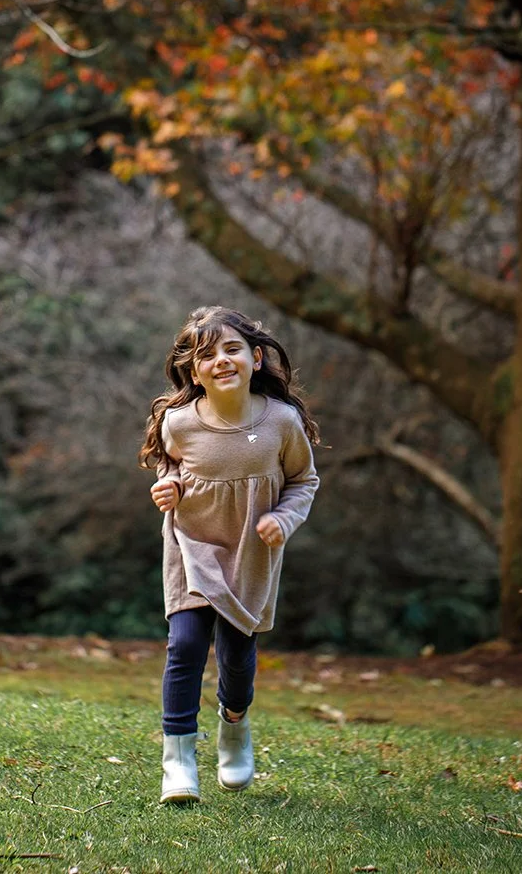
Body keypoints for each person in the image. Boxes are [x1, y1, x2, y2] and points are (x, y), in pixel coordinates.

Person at [139, 306, 320, 803]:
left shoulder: (281, 423)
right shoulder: (180, 422)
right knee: (186, 645)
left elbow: (304, 480)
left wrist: (283, 519)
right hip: (190, 547)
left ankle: (234, 726)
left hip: (250, 554)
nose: (220, 360)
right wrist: (168, 485)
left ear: (256, 358)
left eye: (231, 348)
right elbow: (168, 463)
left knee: (237, 658)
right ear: (192, 371)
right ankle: (177, 760)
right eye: (205, 354)